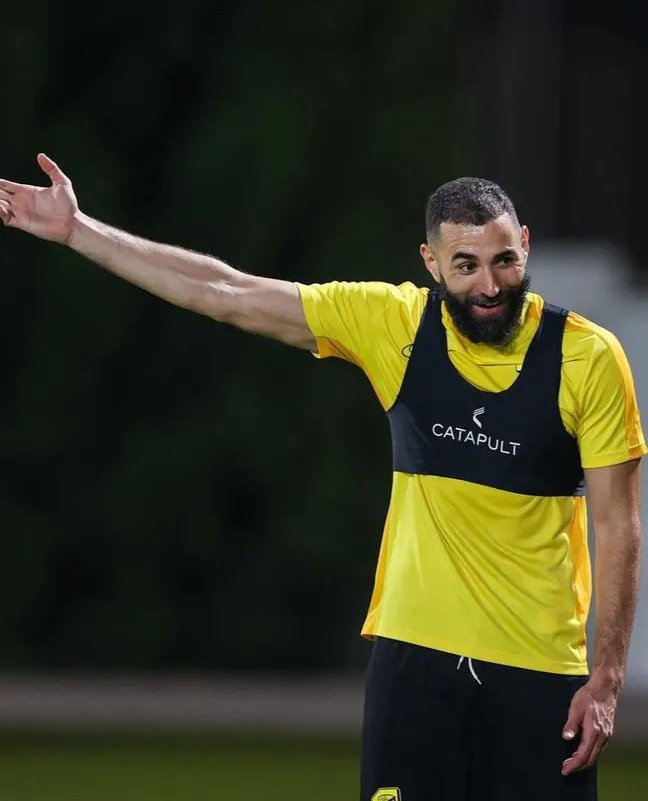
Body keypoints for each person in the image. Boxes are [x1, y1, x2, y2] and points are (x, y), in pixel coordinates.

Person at [0, 155, 644, 801]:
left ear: (525, 243)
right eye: (465, 265)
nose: (490, 285)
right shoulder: (394, 324)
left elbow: (619, 526)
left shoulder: (587, 358)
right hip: (414, 662)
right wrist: (79, 230)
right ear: (430, 262)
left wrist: (608, 678)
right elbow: (226, 292)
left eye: (504, 260)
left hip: (539, 672)